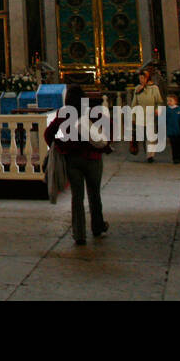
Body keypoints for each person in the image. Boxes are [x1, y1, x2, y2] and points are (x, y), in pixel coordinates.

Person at [44, 84, 108, 245]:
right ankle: (97, 227)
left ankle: (79, 234)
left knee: (77, 198)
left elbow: (48, 133)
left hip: (73, 160)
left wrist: (59, 146)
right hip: (93, 158)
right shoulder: (92, 112)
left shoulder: (63, 113)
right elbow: (106, 130)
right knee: (94, 195)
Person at [131, 69, 164, 162]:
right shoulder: (137, 89)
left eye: (142, 78)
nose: (141, 80)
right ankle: (147, 151)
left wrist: (158, 108)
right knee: (144, 136)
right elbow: (134, 103)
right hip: (140, 115)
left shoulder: (154, 88)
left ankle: (150, 155)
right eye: (140, 78)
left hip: (150, 114)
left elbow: (159, 101)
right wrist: (133, 116)